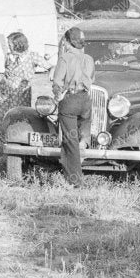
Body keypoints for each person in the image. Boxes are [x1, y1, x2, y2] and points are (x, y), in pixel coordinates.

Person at [49, 26, 95, 188]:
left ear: (68, 42)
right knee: (81, 135)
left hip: (70, 100)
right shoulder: (88, 59)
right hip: (86, 100)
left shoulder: (65, 59)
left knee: (70, 141)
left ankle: (76, 180)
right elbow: (92, 78)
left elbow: (57, 83)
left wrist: (57, 97)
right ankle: (85, 142)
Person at [0, 31, 37, 119]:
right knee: (2, 114)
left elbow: (49, 66)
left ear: (18, 44)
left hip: (21, 93)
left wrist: (52, 72)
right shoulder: (8, 56)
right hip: (5, 92)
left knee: (20, 115)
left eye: (10, 44)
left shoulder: (32, 56)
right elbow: (7, 69)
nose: (8, 47)